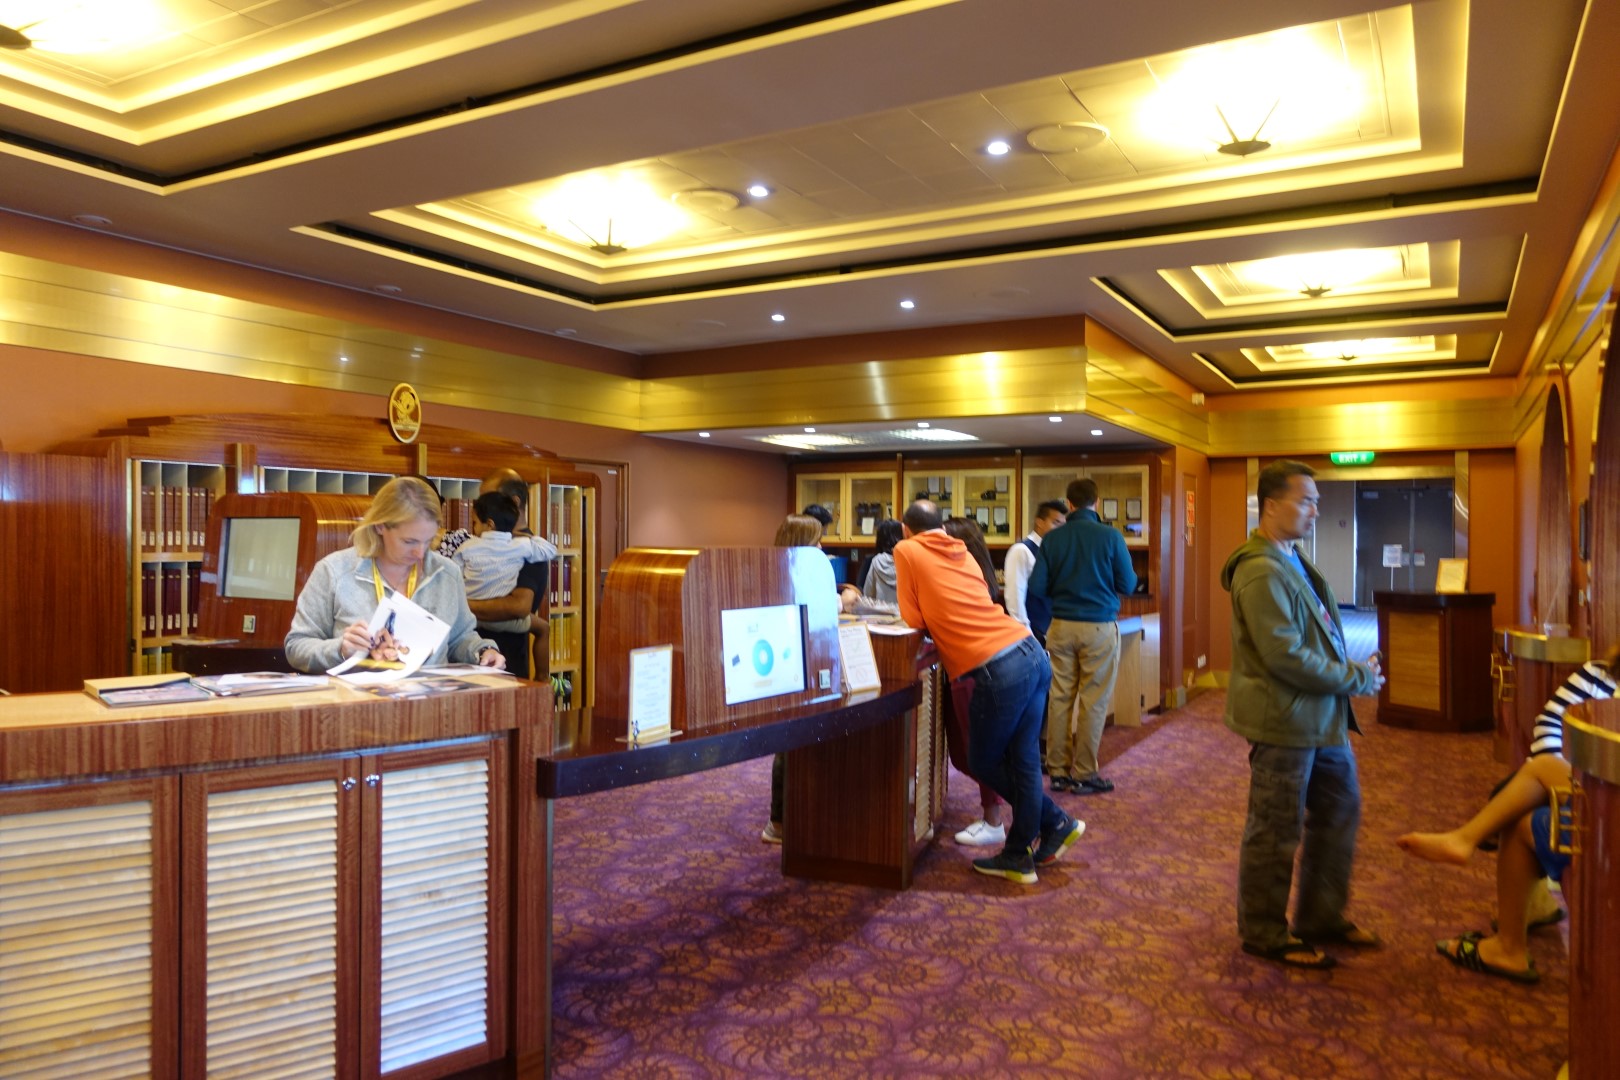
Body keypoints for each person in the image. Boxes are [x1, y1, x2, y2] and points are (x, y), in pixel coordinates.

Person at [1222, 460, 1383, 969]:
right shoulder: (1260, 569)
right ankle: (1263, 931)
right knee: (1275, 828)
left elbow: (1318, 634)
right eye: (1306, 500)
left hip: (1321, 718)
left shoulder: (1290, 558)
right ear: (1271, 505)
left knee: (1339, 811)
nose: (1315, 510)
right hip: (1285, 721)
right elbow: (1284, 656)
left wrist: (1349, 671)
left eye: (1317, 501)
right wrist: (1356, 678)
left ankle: (1321, 916)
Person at [1395, 645, 1618, 983]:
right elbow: (1550, 725)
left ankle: (1507, 942)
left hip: (1607, 812)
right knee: (1528, 787)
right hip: (1592, 793)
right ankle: (1515, 919)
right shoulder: (1602, 675)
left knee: (1522, 803)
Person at [894, 500, 1081, 883]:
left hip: (998, 668)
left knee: (982, 761)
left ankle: (1052, 823)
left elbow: (913, 618)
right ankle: (1023, 850)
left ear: (905, 529)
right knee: (1024, 761)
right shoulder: (961, 550)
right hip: (1030, 652)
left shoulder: (907, 549)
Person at [286, 475, 506, 673]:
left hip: (429, 701)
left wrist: (483, 651)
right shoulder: (334, 571)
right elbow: (296, 646)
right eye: (409, 541)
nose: (420, 553)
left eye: (428, 540)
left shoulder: (447, 573)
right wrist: (341, 649)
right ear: (380, 526)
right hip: (357, 701)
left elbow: (460, 637)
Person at [1029, 479, 1137, 795]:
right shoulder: (1111, 537)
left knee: (1059, 698)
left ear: (1069, 504)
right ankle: (1086, 773)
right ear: (1097, 502)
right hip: (1099, 626)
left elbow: (1037, 586)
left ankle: (1058, 772)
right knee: (1093, 701)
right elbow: (1128, 584)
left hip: (1061, 626)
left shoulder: (1053, 539)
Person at [439, 469, 551, 679]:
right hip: (467, 654)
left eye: (489, 498)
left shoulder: (526, 548)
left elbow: (518, 607)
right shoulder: (482, 542)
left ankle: (545, 678)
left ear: (514, 502)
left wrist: (459, 605)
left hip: (506, 661)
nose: (481, 504)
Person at [940, 516, 1010, 847]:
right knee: (965, 752)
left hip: (973, 670)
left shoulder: (964, 577)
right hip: (973, 668)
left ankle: (995, 819)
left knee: (976, 751)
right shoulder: (979, 573)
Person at [763, 513, 827, 845]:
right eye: (817, 542)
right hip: (789, 667)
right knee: (788, 745)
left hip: (799, 663)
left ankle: (790, 817)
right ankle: (779, 821)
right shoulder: (788, 575)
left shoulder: (786, 570)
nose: (822, 548)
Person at [1004, 499, 1067, 645]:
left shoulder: (1056, 552)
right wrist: (1027, 636)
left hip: (1056, 634)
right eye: (1056, 523)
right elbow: (1015, 598)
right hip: (1034, 634)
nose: (1060, 529)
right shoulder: (1021, 551)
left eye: (1063, 525)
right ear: (1039, 522)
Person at [861, 519, 905, 605]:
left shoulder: (877, 561)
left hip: (881, 611)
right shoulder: (908, 560)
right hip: (903, 611)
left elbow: (868, 594)